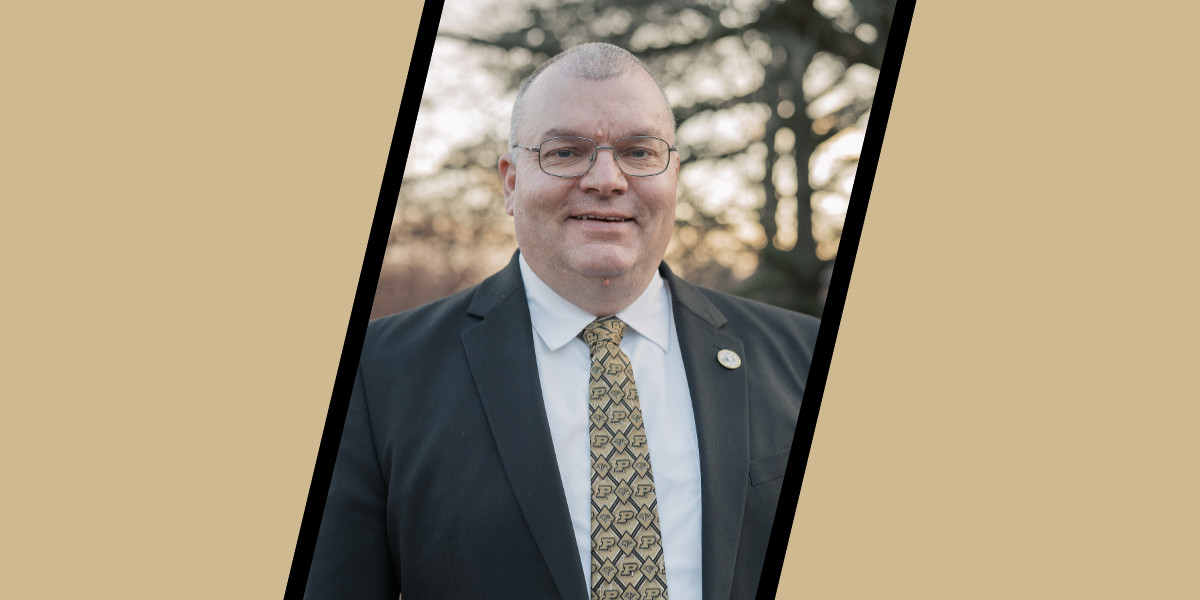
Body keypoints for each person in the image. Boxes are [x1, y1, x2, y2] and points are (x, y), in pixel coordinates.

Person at [304, 43, 819, 600]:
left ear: (674, 176)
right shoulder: (374, 375)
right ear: (510, 181)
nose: (606, 179)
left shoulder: (805, 355)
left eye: (639, 152)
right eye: (566, 152)